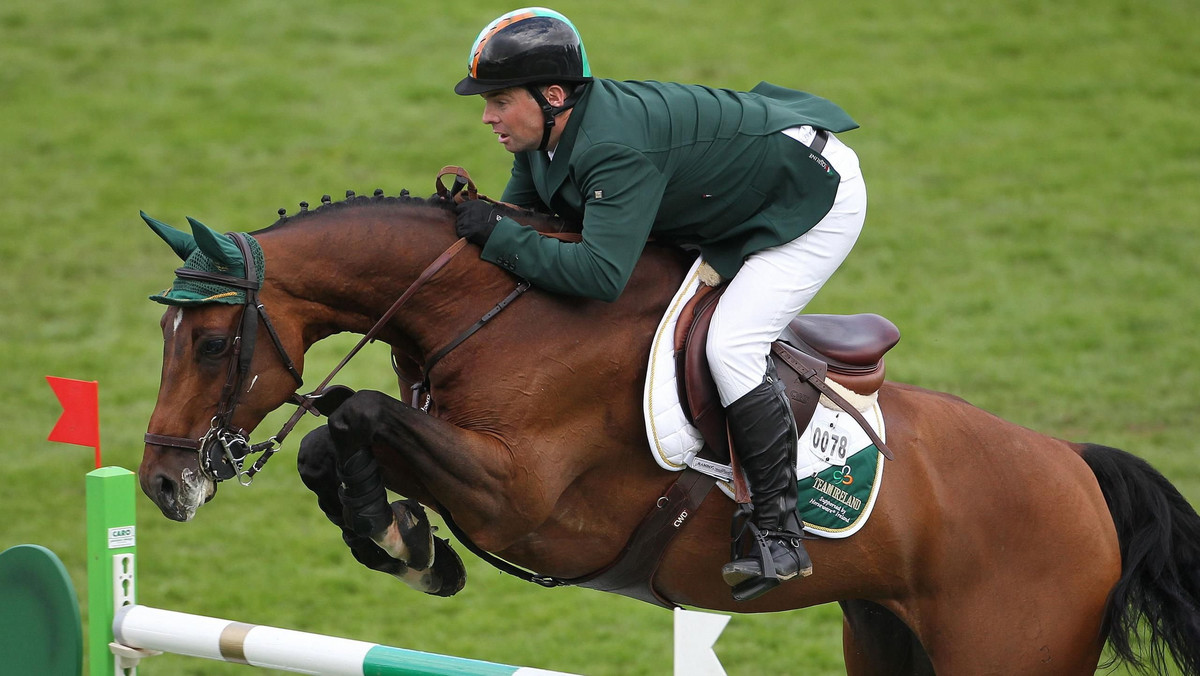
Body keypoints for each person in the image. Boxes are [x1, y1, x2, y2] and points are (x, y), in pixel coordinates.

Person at [452, 7, 867, 602]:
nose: (488, 117)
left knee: (732, 344)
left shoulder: (611, 149)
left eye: (498, 100)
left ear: (551, 95)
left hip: (811, 197)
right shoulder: (545, 134)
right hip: (731, 186)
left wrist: (498, 234)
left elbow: (599, 274)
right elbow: (527, 227)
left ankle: (777, 532)